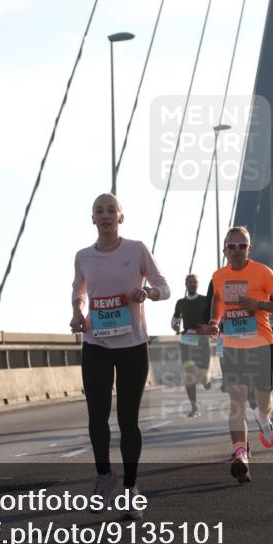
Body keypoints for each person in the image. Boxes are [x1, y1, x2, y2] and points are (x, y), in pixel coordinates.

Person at [71, 193, 169, 520]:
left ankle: (130, 488)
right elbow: (79, 291)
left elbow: (164, 286)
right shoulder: (83, 256)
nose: (105, 215)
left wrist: (148, 292)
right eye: (99, 210)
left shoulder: (136, 250)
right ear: (93, 218)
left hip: (132, 346)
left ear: (120, 217)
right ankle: (104, 476)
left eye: (111, 210)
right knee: (96, 417)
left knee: (128, 421)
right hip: (96, 343)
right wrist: (77, 312)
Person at [207, 227, 273, 484]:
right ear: (224, 249)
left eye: (242, 246)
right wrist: (214, 321)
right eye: (231, 246)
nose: (237, 250)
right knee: (237, 401)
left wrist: (260, 305)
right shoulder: (218, 276)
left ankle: (263, 418)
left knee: (263, 402)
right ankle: (240, 454)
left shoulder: (263, 272)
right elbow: (218, 299)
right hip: (232, 347)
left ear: (249, 249)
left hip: (262, 344)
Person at [172, 274, 212, 418]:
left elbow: (213, 318)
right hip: (187, 342)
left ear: (198, 284)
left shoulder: (205, 300)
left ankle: (206, 380)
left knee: (202, 377)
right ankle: (194, 407)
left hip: (202, 342)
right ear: (186, 284)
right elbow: (175, 319)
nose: (192, 284)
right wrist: (175, 326)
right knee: (189, 375)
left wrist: (208, 327)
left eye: (194, 281)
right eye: (189, 282)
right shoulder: (180, 303)